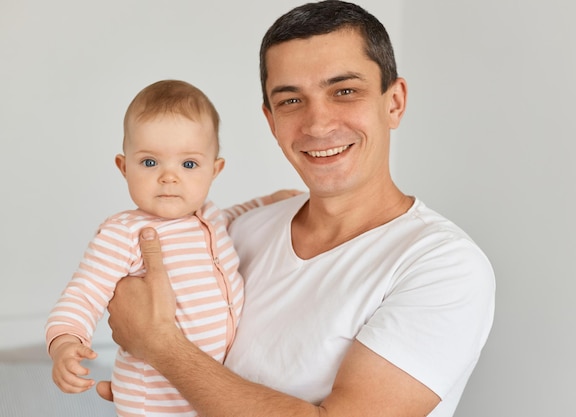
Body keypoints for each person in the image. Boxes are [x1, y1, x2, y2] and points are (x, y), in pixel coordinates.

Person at [97, 2, 496, 416]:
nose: (318, 124)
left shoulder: (443, 266)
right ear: (271, 121)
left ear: (393, 103)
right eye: (290, 101)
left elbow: (161, 340)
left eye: (344, 91)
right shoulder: (240, 234)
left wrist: (162, 347)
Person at [45, 79, 297, 417]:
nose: (168, 177)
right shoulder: (125, 232)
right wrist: (65, 342)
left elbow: (235, 214)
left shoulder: (210, 218)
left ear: (214, 170)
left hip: (208, 386)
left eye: (188, 164)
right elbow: (84, 292)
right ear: (124, 167)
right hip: (155, 398)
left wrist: (270, 201)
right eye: (150, 162)